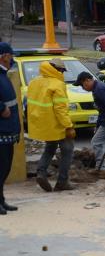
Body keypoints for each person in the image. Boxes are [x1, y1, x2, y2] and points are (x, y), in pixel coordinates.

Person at [27, 58, 76, 192]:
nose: (62, 73)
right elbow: (60, 109)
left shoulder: (34, 82)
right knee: (67, 150)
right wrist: (69, 126)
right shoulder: (58, 84)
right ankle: (62, 182)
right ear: (57, 69)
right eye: (62, 70)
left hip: (44, 124)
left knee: (50, 148)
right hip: (58, 125)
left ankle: (41, 173)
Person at [0, 43, 21, 214]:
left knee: (5, 168)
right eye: (10, 55)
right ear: (4, 56)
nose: (12, 58)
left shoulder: (3, 74)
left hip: (9, 129)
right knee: (1, 168)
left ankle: (2, 200)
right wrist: (1, 108)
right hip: (2, 130)